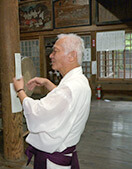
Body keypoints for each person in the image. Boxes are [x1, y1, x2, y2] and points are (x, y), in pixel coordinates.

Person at [13, 33, 91, 169]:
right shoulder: (79, 80)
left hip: (54, 159)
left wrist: (20, 91)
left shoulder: (70, 86)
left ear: (72, 56)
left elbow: (39, 112)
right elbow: (66, 103)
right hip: (66, 153)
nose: (51, 55)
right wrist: (47, 83)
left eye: (56, 51)